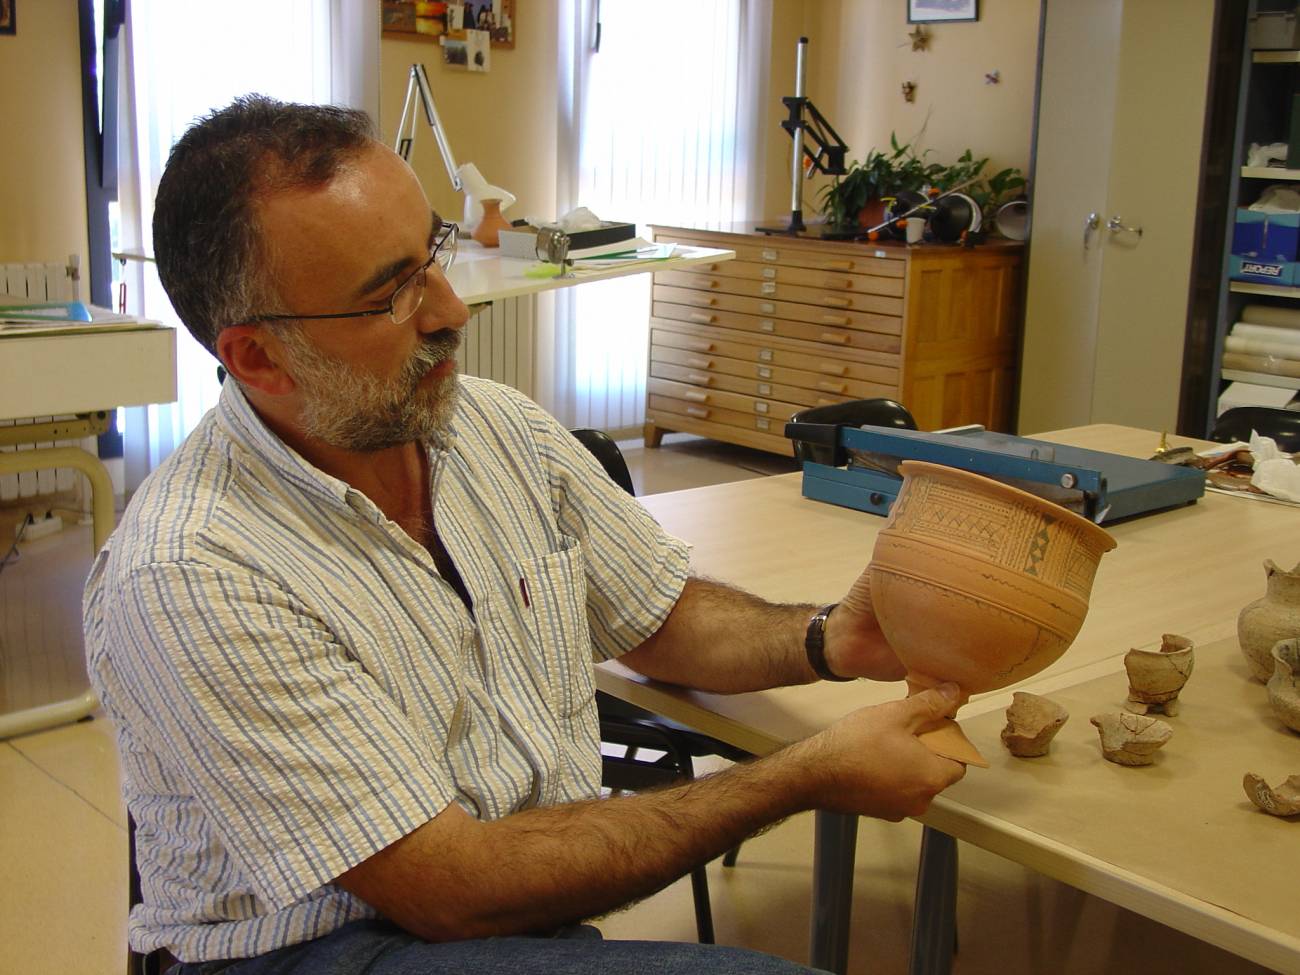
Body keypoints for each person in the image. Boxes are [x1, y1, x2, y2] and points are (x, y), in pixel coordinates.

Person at [83, 95, 965, 974]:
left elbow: (660, 617)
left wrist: (828, 639)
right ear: (257, 359)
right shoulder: (192, 571)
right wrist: (804, 774)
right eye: (391, 294)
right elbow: (451, 887)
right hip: (319, 945)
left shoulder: (493, 430)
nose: (450, 309)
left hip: (503, 912)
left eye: (432, 253)